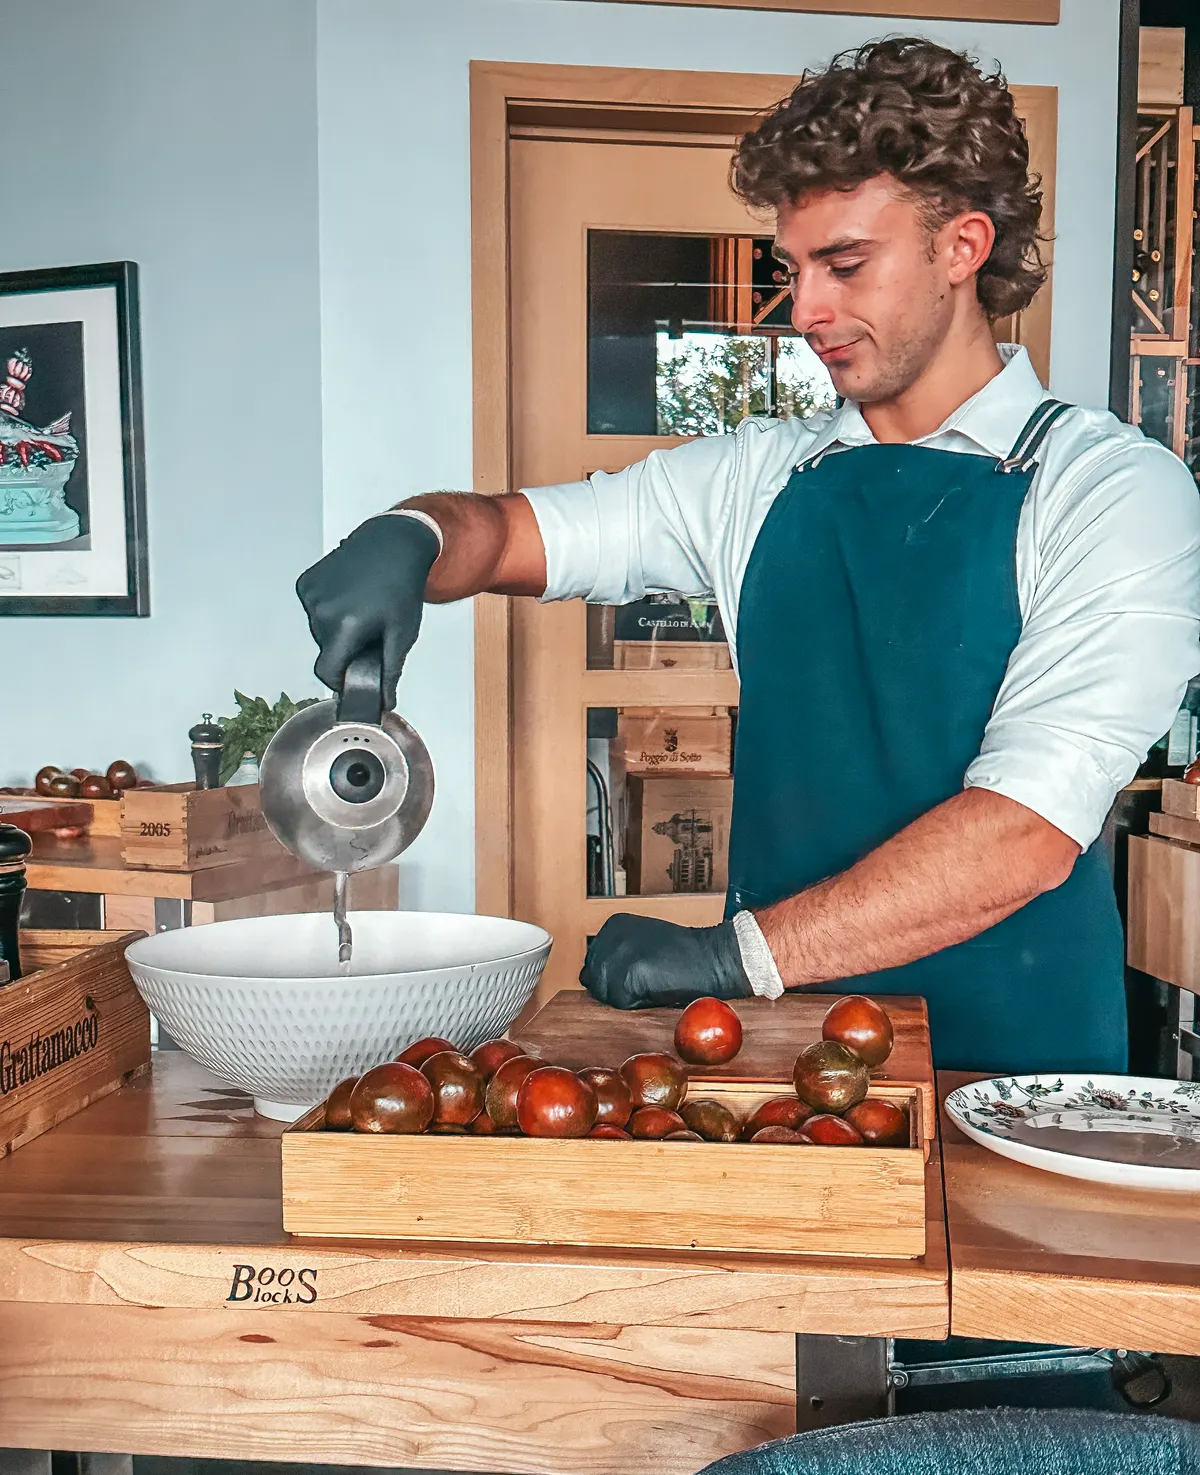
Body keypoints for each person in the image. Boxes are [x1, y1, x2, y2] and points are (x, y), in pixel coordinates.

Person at [297, 37, 1200, 1072]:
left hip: (1018, 1074)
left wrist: (734, 958)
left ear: (963, 247)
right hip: (779, 1065)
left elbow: (1025, 830)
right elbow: (509, 534)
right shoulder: (759, 477)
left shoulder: (1110, 489)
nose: (805, 310)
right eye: (795, 268)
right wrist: (412, 539)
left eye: (845, 264)